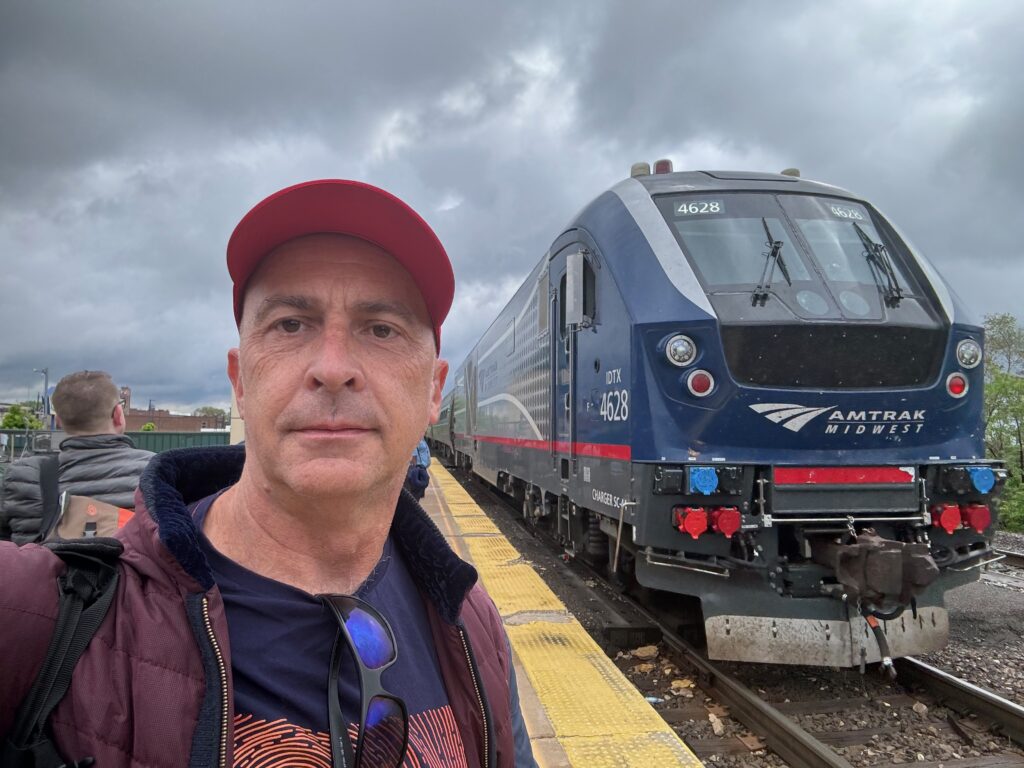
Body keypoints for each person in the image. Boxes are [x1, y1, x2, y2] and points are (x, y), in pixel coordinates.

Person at [0, 180, 536, 768]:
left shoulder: (469, 620)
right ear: (239, 380)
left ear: (433, 390)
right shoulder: (40, 616)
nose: (333, 370)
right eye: (289, 324)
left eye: (381, 329)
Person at [0, 370, 153, 544]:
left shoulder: (22, 475)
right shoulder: (156, 470)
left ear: (58, 420)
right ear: (118, 415)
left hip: (44, 570)